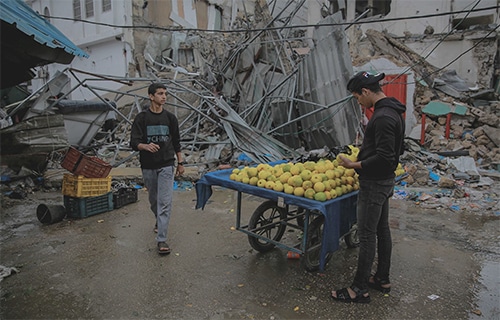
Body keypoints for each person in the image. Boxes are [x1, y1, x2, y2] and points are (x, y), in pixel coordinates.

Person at [331, 71, 406, 303]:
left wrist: (354, 164)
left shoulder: (383, 117)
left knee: (366, 235)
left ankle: (359, 289)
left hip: (375, 183)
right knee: (382, 230)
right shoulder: (394, 111)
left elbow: (384, 156)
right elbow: (395, 151)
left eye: (356, 97)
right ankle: (381, 278)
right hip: (385, 180)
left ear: (365, 91)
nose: (358, 102)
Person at [130, 82, 185, 255]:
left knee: (164, 202)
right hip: (148, 165)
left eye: (165, 94)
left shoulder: (170, 118)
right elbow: (133, 142)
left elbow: (177, 142)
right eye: (160, 93)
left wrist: (181, 162)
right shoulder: (142, 118)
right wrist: (145, 146)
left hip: (166, 164)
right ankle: (158, 221)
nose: (164, 97)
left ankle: (162, 240)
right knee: (154, 201)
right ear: (151, 96)